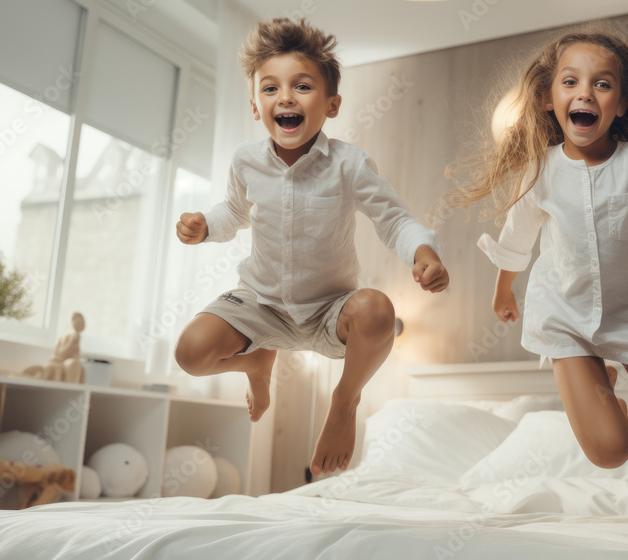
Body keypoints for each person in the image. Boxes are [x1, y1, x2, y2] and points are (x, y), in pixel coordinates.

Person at [439, 29, 628, 492]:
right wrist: (503, 287)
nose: (585, 92)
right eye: (570, 82)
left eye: (602, 84)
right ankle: (606, 394)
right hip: (566, 317)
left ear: (622, 104)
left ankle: (611, 382)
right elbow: (518, 235)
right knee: (610, 451)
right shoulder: (539, 169)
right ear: (549, 99)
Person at [173, 18, 449, 477]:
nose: (285, 98)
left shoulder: (349, 164)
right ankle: (257, 366)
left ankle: (345, 401)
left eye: (302, 86)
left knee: (379, 310)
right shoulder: (245, 160)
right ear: (254, 104)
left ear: (332, 104)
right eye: (270, 88)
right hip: (259, 301)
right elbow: (234, 213)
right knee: (190, 354)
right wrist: (205, 226)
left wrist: (424, 253)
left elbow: (393, 219)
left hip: (329, 309)